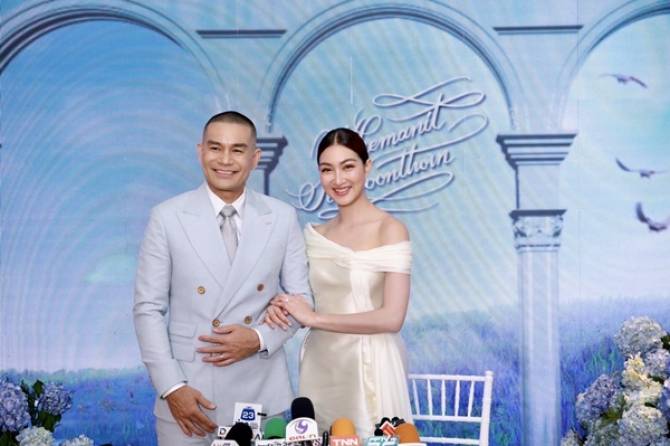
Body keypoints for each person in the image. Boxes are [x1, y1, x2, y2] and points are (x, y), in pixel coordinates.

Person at [133, 111, 311, 445]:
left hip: (259, 391)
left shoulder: (282, 217)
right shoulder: (167, 217)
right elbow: (147, 309)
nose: (225, 160)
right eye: (215, 148)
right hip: (189, 394)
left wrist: (258, 338)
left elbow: (302, 300)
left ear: (255, 157)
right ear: (201, 151)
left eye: (237, 150)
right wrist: (172, 387)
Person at [265, 128, 413, 438]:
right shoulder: (315, 236)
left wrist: (315, 319)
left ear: (367, 167)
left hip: (370, 364)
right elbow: (303, 297)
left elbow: (392, 318)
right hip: (320, 365)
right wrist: (280, 304)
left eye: (348, 166)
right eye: (327, 169)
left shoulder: (390, 229)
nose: (338, 179)